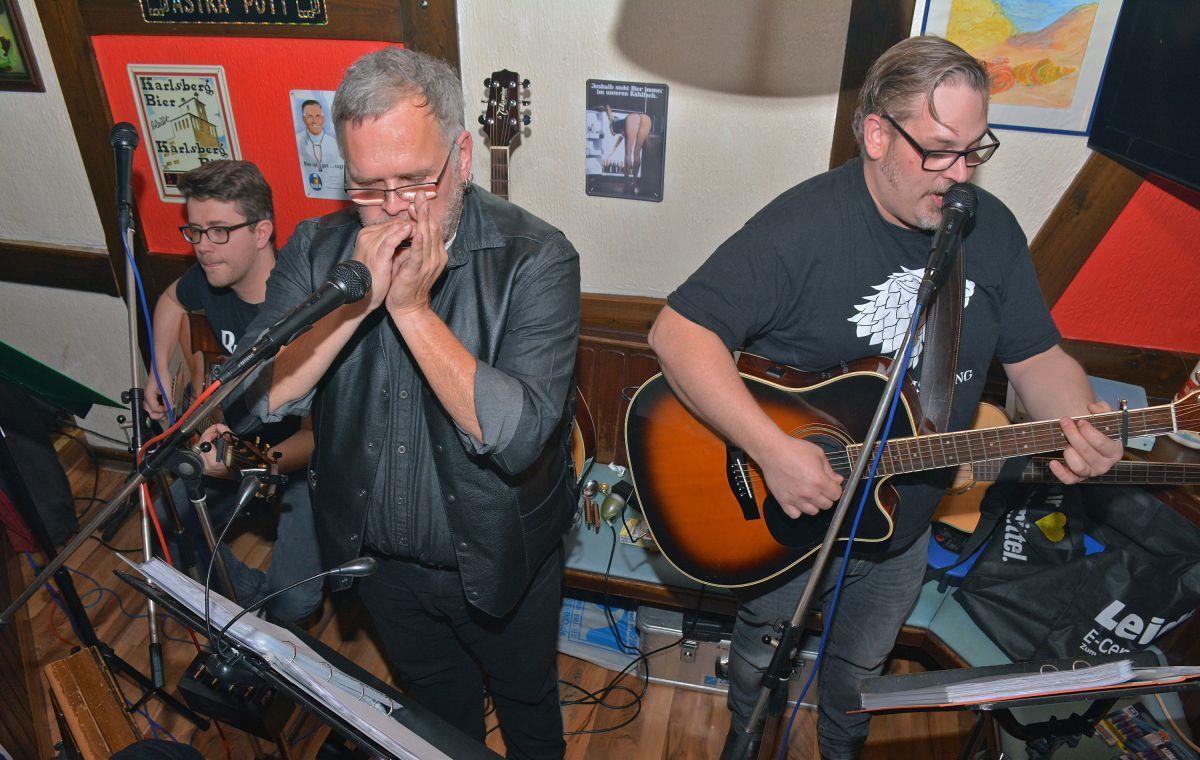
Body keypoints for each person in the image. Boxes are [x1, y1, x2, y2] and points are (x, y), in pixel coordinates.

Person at [646, 36, 1122, 759]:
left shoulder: (986, 231)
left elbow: (1036, 358)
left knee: (859, 677)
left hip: (903, 523)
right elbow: (677, 333)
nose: (960, 174)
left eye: (974, 150)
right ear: (875, 134)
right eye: (938, 150)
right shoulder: (804, 228)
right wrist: (770, 449)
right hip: (784, 526)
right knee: (759, 659)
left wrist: (1079, 417)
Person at [229, 48, 581, 758]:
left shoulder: (537, 258)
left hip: (501, 561)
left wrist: (414, 310)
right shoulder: (318, 247)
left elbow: (514, 435)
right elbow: (255, 398)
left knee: (528, 710)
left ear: (461, 155)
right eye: (369, 185)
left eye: (416, 181)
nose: (394, 207)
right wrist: (356, 299)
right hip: (378, 566)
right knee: (438, 713)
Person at [144, 159, 323, 623]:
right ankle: (243, 599)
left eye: (219, 231)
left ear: (262, 232)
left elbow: (317, 435)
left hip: (300, 467)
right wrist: (159, 370)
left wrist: (248, 465)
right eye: (195, 231)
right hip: (230, 450)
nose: (203, 247)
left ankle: (270, 609)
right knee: (160, 528)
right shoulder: (209, 279)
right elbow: (168, 301)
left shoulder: (304, 309)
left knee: (296, 602)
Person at [295, 98, 345, 196]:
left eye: (318, 116)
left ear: (323, 118)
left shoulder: (335, 143)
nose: (314, 121)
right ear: (303, 119)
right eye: (309, 116)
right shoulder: (298, 139)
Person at [604, 103, 651, 192]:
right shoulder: (620, 128)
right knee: (637, 153)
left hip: (631, 120)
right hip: (645, 118)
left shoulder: (613, 123)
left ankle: (626, 183)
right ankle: (634, 182)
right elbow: (619, 140)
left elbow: (609, 114)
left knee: (628, 154)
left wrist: (605, 106)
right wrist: (613, 150)